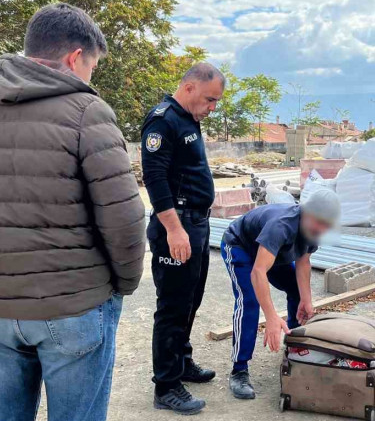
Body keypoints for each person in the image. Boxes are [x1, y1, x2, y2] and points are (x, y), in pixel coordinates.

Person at [0, 3, 145, 421]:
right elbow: (124, 221)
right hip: (74, 305)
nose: (91, 77)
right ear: (74, 57)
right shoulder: (87, 112)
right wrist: (121, 284)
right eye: (92, 66)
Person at [141, 62, 224, 415]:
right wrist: (175, 230)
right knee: (173, 305)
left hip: (197, 224)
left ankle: (182, 362)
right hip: (177, 226)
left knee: (192, 299)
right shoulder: (163, 120)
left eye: (216, 101)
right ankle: (167, 385)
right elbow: (154, 178)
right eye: (209, 99)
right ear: (189, 87)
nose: (212, 107)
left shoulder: (189, 117)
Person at [219, 190, 341, 400]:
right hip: (241, 247)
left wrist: (306, 299)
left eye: (326, 225)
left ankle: (294, 344)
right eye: (319, 222)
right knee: (249, 301)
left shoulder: (313, 229)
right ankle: (239, 370)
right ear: (307, 213)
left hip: (271, 253)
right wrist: (272, 317)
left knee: (295, 288)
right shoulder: (281, 226)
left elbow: (303, 262)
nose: (321, 229)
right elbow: (258, 272)